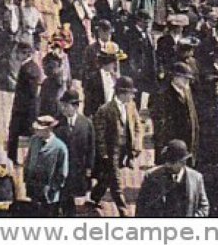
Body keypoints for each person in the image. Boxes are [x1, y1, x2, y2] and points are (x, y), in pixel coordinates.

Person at [88, 76, 142, 217]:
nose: (132, 95)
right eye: (131, 93)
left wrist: (136, 145)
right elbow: (99, 134)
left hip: (126, 150)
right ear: (122, 93)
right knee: (116, 180)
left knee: (107, 177)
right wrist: (104, 153)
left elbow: (137, 126)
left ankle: (94, 197)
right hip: (112, 151)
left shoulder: (131, 106)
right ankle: (123, 210)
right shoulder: (105, 110)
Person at [135, 139, 209, 217]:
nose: (167, 165)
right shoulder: (151, 176)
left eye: (172, 162)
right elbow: (141, 208)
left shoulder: (196, 178)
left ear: (183, 162)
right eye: (166, 161)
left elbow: (204, 207)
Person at [53, 89, 95, 216]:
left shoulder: (86, 124)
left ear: (76, 106)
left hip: (78, 169)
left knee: (75, 198)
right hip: (61, 169)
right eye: (63, 105)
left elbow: (91, 148)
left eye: (67, 106)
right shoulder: (56, 123)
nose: (64, 108)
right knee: (62, 199)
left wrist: (89, 167)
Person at [151, 62, 200, 166]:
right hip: (173, 147)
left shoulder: (187, 91)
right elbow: (160, 125)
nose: (187, 81)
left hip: (188, 145)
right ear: (174, 77)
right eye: (184, 78)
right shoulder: (163, 95)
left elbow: (193, 116)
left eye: (188, 78)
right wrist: (163, 147)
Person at [23, 115, 69, 217]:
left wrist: (53, 188)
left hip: (49, 194)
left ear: (49, 130)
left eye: (39, 130)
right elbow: (28, 159)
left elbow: (62, 173)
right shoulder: (34, 140)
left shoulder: (60, 147)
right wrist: (27, 178)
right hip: (34, 189)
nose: (36, 132)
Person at [7, 39, 44, 164]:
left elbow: (32, 94)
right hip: (24, 109)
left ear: (26, 54)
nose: (17, 55)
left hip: (24, 110)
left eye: (19, 53)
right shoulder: (29, 67)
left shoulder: (29, 70)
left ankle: (15, 160)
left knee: (17, 135)